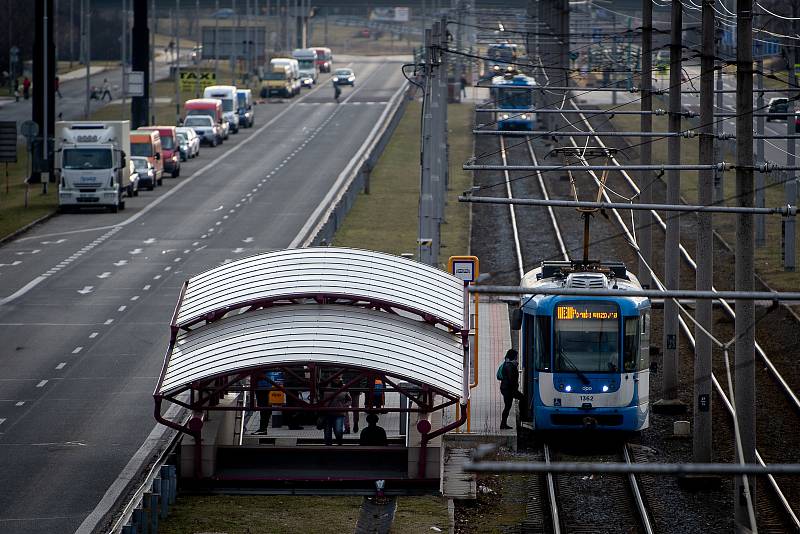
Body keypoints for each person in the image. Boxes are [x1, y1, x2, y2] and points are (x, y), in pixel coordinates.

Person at [499, 348, 524, 430]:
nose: (517, 357)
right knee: (509, 405)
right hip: (508, 389)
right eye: (516, 355)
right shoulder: (510, 365)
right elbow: (511, 378)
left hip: (506, 388)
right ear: (513, 356)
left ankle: (503, 424)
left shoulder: (508, 364)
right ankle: (504, 424)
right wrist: (515, 389)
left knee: (508, 406)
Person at [323, 377, 350, 445]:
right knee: (328, 432)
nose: (336, 379)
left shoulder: (343, 387)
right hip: (328, 412)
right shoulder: (326, 387)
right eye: (335, 378)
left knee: (338, 430)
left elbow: (349, 400)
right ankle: (331, 445)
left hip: (338, 412)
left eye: (338, 378)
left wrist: (343, 406)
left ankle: (338, 443)